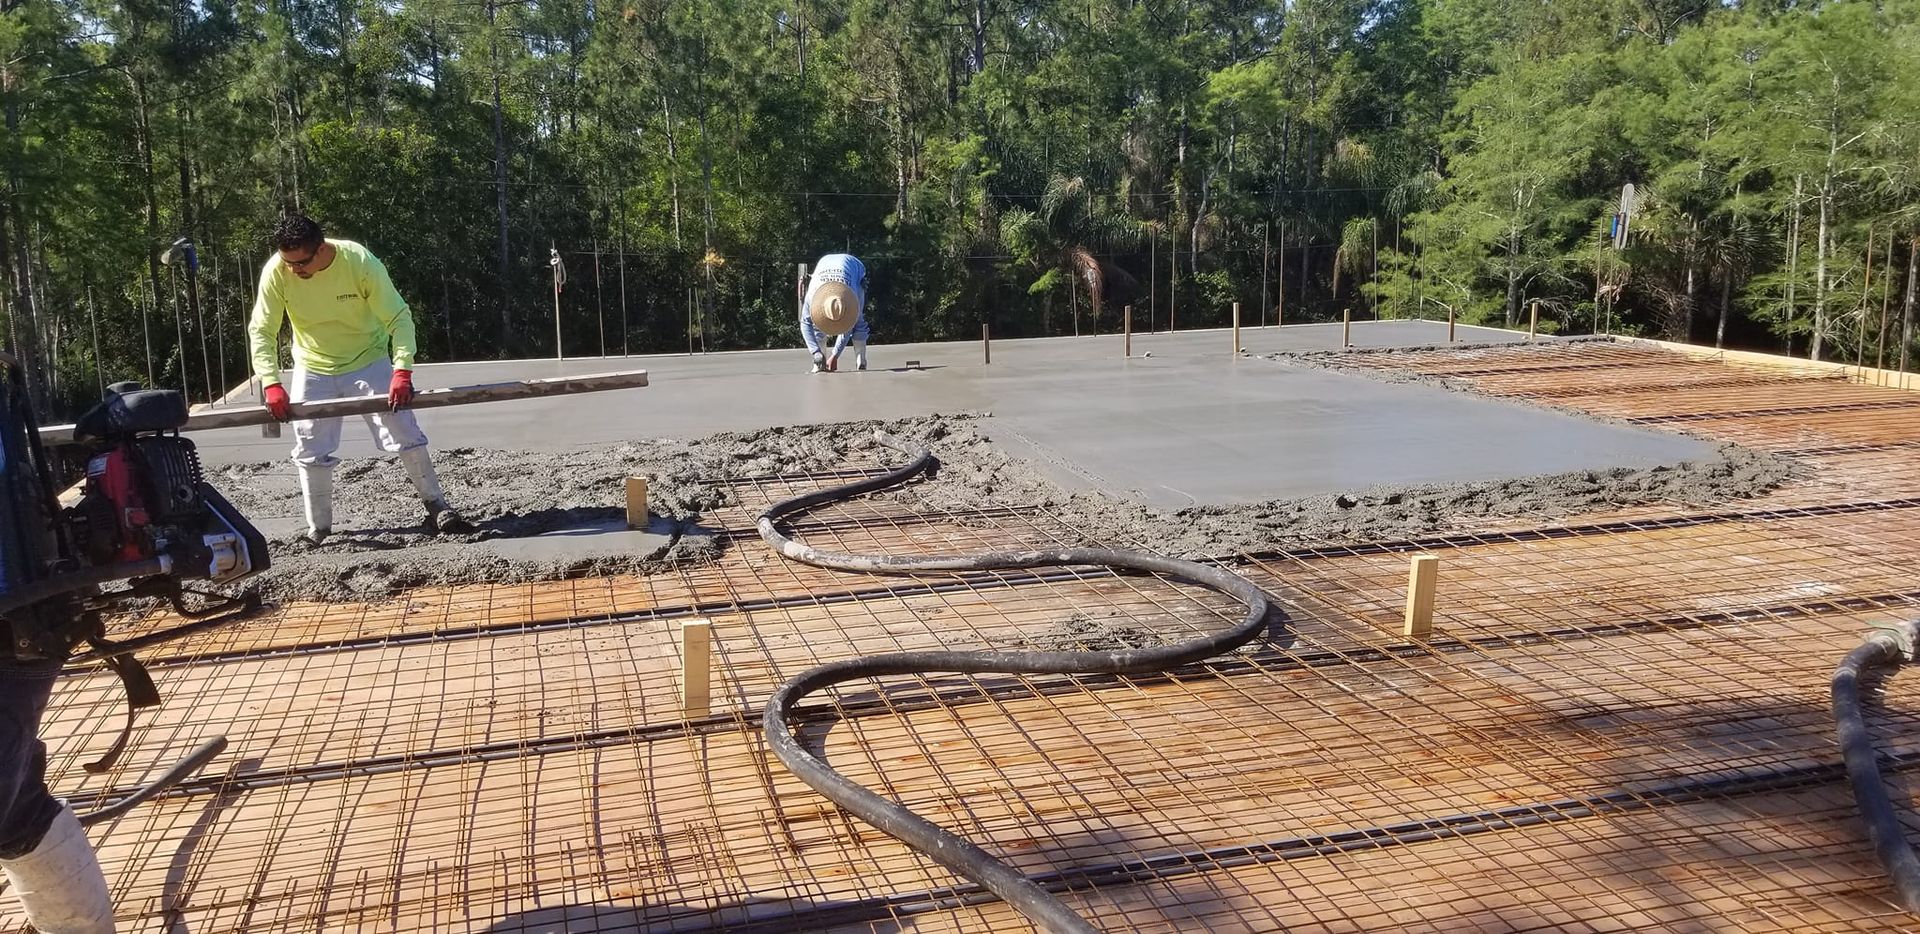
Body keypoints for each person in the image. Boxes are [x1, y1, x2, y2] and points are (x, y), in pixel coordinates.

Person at [247, 213, 472, 543]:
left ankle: (437, 506)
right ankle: (319, 529)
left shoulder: (358, 261)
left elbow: (398, 317)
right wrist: (270, 381)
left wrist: (402, 370)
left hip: (368, 360)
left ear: (322, 250)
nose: (295, 270)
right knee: (310, 446)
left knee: (403, 429)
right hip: (313, 367)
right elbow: (262, 330)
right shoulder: (277, 271)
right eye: (288, 262)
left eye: (301, 263)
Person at [800, 253, 870, 372]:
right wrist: (815, 352)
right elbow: (805, 324)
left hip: (853, 267)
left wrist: (835, 355)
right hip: (825, 263)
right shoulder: (812, 297)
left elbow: (849, 325)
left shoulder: (851, 297)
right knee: (817, 325)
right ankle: (819, 363)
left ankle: (861, 361)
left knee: (858, 320)